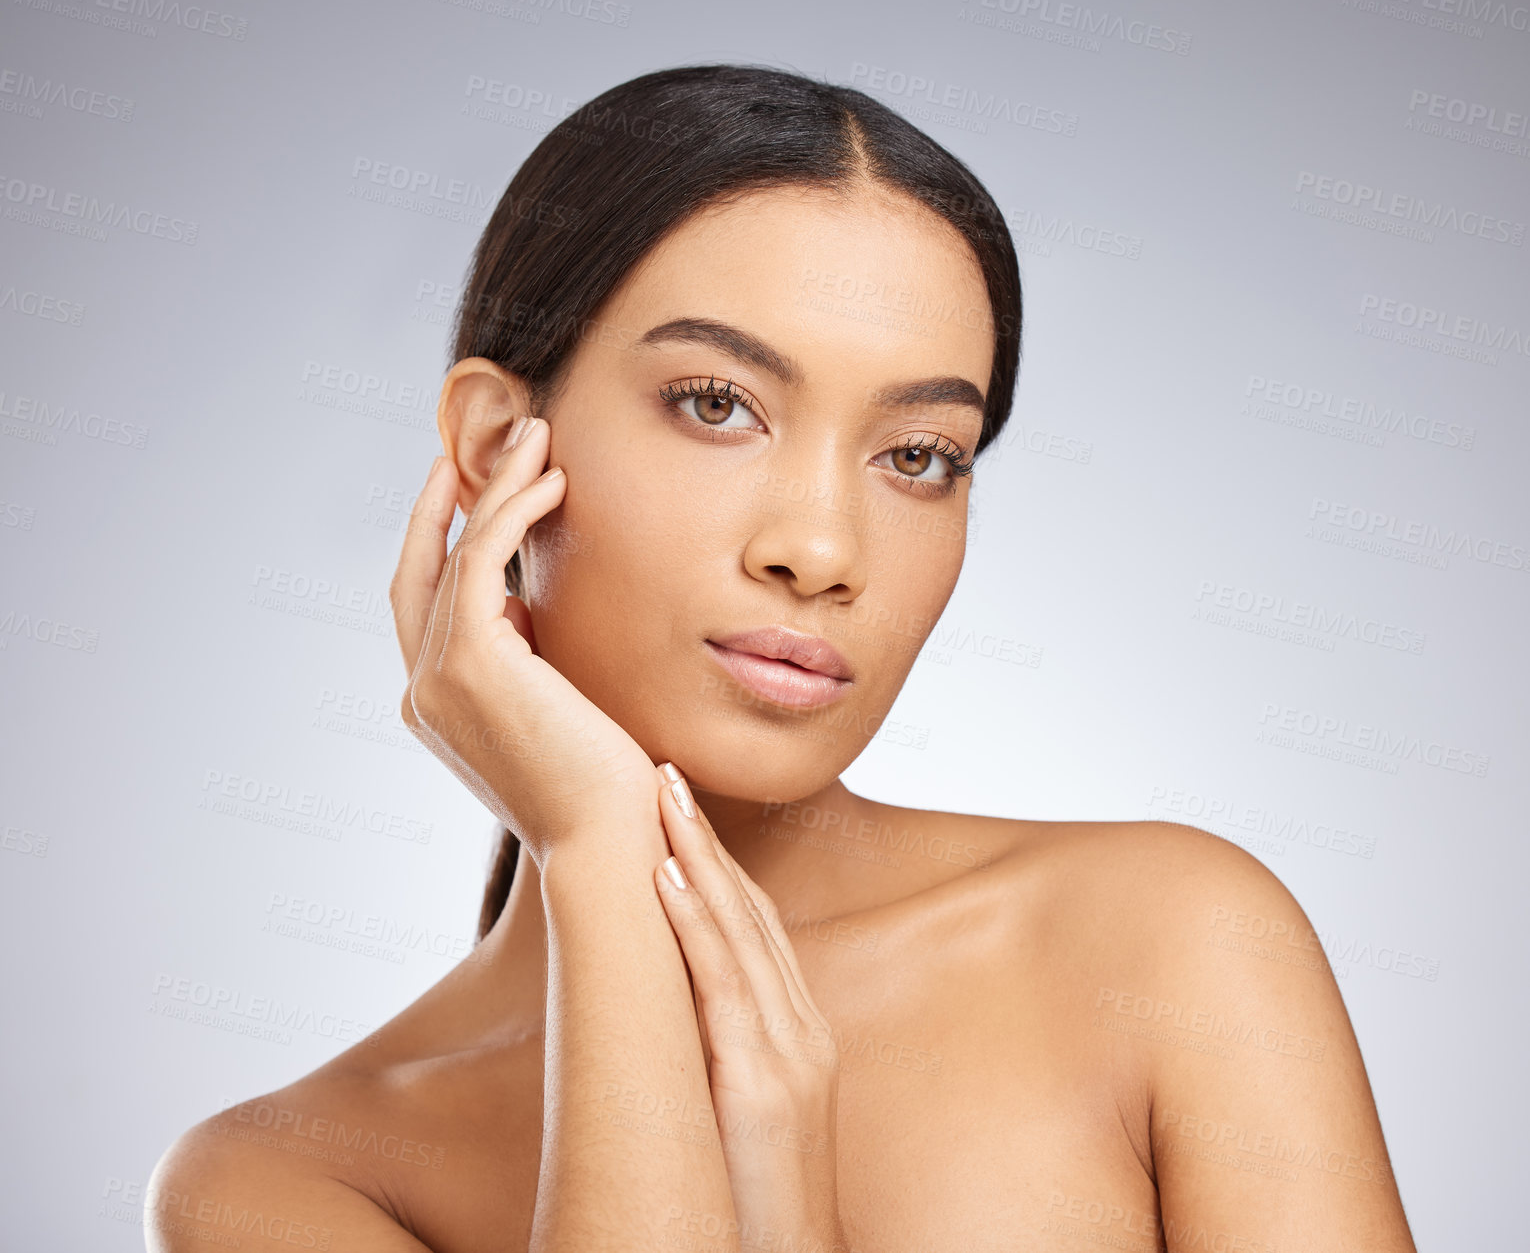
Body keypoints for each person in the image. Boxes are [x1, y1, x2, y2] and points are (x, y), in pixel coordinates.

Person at [146, 64, 1418, 1253]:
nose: (821, 549)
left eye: (918, 454)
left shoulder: (1170, 944)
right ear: (495, 450)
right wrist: (600, 859)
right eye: (717, 404)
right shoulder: (290, 1177)